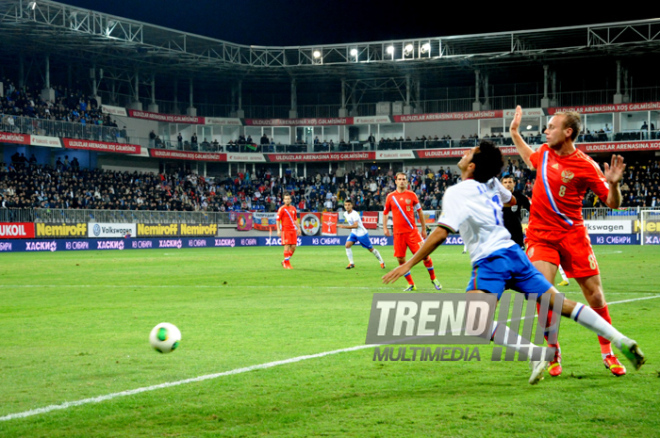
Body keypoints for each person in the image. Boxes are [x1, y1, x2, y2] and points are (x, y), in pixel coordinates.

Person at [382, 141, 645, 384]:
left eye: (468, 153)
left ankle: (534, 354)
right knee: (561, 304)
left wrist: (410, 263)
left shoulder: (457, 192)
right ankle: (620, 339)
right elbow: (513, 200)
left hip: (490, 260)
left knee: (475, 322)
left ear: (472, 166)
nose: (463, 154)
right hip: (515, 254)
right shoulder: (493, 183)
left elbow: (440, 232)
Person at [510, 105, 627, 377]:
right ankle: (553, 351)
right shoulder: (545, 153)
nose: (546, 130)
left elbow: (613, 204)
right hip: (540, 235)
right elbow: (530, 158)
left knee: (595, 294)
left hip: (572, 235)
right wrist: (515, 133)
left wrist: (614, 185)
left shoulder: (586, 165)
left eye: (551, 127)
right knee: (543, 292)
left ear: (568, 132)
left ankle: (607, 352)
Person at [382, 172, 441, 291]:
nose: (402, 181)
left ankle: (433, 278)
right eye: (399, 179)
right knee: (400, 259)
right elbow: (385, 213)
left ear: (407, 181)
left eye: (404, 179)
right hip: (398, 234)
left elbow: (419, 211)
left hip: (412, 232)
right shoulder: (390, 197)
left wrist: (423, 228)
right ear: (396, 181)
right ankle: (411, 284)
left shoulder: (412, 195)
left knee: (424, 255)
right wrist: (385, 227)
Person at [339, 199, 385, 269]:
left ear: (352, 205)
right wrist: (351, 231)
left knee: (371, 249)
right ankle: (351, 263)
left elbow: (356, 225)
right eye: (345, 205)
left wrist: (344, 227)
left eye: (349, 205)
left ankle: (381, 261)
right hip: (354, 233)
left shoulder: (355, 214)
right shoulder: (345, 214)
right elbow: (351, 224)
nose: (347, 206)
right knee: (347, 245)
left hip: (362, 234)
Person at [276, 193, 301, 269]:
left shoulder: (293, 208)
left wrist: (298, 228)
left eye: (288, 199)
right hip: (285, 230)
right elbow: (277, 220)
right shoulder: (281, 209)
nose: (287, 200)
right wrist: (278, 230)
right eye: (285, 199)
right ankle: (287, 264)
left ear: (290, 200)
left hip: (293, 230)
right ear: (283, 200)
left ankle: (285, 261)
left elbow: (295, 219)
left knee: (293, 247)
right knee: (286, 246)